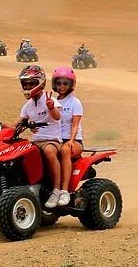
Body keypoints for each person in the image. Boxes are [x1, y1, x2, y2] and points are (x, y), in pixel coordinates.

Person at [4, 65, 63, 208]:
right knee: (19, 154)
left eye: (31, 83)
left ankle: (56, 190)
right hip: (35, 142)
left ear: (40, 83)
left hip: (52, 140)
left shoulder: (51, 100)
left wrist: (50, 107)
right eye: (26, 83)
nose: (28, 86)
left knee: (49, 152)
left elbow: (57, 117)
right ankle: (28, 186)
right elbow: (17, 123)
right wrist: (3, 127)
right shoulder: (27, 106)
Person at [52, 67, 84, 207]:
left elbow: (75, 125)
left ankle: (64, 191)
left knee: (65, 150)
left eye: (65, 83)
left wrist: (71, 140)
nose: (62, 86)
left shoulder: (74, 102)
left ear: (71, 84)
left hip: (74, 140)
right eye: (59, 83)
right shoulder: (52, 101)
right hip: (56, 139)